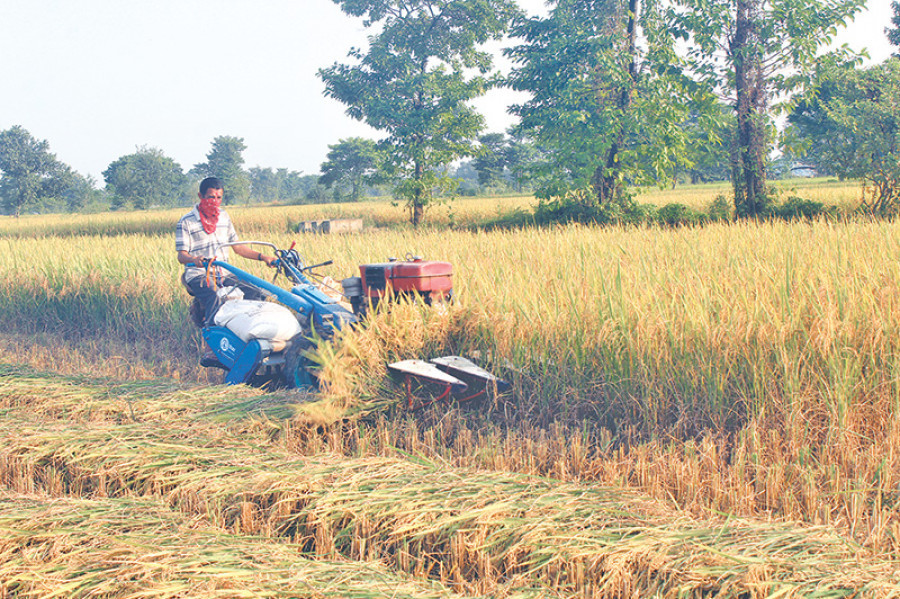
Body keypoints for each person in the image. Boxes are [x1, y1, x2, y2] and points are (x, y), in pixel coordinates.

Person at [176, 177, 277, 360]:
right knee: (214, 297)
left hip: (224, 272)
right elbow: (181, 255)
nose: (215, 202)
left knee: (255, 291)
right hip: (199, 273)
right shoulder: (187, 222)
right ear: (200, 196)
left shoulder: (224, 217)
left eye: (219, 197)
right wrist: (195, 259)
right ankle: (211, 348)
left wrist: (263, 257)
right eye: (210, 197)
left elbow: (238, 248)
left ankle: (248, 337)